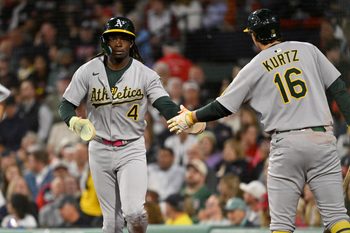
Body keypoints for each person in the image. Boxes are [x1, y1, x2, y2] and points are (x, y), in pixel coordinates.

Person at [168, 8, 350, 233]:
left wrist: (192, 116)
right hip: (322, 138)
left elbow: (222, 106)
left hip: (287, 143)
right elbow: (340, 90)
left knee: (282, 224)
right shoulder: (308, 50)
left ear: (254, 36)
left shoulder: (253, 66)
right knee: (337, 218)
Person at [58, 16, 181, 233]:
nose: (118, 43)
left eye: (124, 38)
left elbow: (163, 104)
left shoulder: (145, 74)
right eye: (113, 37)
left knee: (134, 213)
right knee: (111, 223)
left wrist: (186, 116)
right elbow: (65, 105)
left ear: (132, 43)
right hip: (99, 147)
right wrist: (74, 121)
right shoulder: (88, 70)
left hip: (131, 147)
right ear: (105, 41)